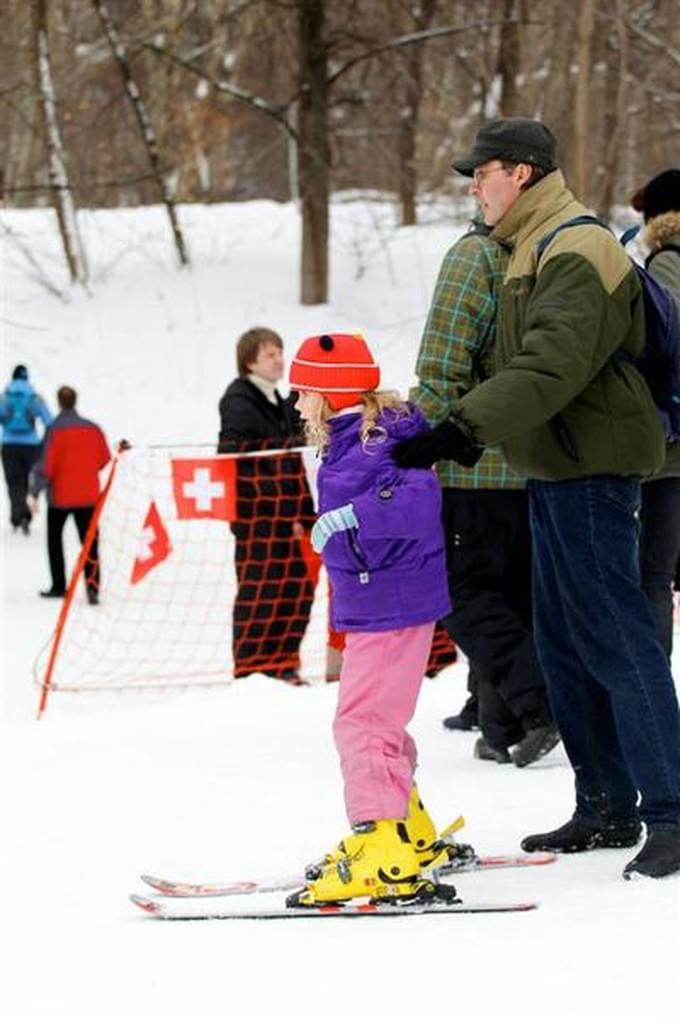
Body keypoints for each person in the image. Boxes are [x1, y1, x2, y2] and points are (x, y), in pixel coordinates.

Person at [394, 117, 680, 879]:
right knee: (562, 641)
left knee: (618, 637)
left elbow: (553, 365)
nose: (473, 189)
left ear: (519, 173)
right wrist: (416, 417)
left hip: (595, 467)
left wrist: (460, 427)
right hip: (549, 467)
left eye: (480, 174)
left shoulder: (575, 245)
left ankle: (672, 813)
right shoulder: (526, 246)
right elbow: (507, 358)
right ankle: (606, 805)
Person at [284, 331, 454, 907]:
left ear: (330, 393)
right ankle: (409, 834)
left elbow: (418, 500)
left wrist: (352, 516)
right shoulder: (351, 438)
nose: (298, 403)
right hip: (376, 598)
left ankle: (383, 852)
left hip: (389, 600)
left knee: (362, 726)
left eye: (304, 391)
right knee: (377, 722)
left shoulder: (374, 440)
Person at [410, 219, 559, 767]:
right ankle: (502, 729)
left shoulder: (472, 257)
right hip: (533, 463)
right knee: (514, 598)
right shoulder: (549, 251)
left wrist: (412, 440)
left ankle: (541, 701)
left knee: (463, 595)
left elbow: (443, 364)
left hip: (473, 465)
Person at [217, 327, 316, 685]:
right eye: (270, 354)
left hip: (285, 512)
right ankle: (251, 670)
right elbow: (242, 456)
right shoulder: (239, 400)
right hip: (257, 514)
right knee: (260, 591)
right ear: (250, 361)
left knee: (296, 588)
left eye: (280, 352)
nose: (279, 360)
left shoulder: (276, 399)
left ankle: (281, 663)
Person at [630, 169, 680, 660]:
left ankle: (653, 700)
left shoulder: (666, 263)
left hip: (670, 449)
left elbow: (664, 346)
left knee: (652, 576)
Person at [30, 385, 110, 603]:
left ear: (59, 402)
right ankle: (92, 588)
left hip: (60, 498)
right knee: (90, 543)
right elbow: (104, 459)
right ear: (75, 401)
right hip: (88, 496)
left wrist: (34, 492)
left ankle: (58, 585)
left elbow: (46, 466)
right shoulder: (93, 429)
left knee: (54, 540)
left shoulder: (54, 430)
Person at [0, 364, 52, 534]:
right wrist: (43, 443)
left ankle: (17, 515)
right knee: (29, 481)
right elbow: (49, 422)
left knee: (14, 482)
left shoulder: (5, 397)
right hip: (31, 446)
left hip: (9, 445)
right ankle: (26, 514)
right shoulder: (34, 398)